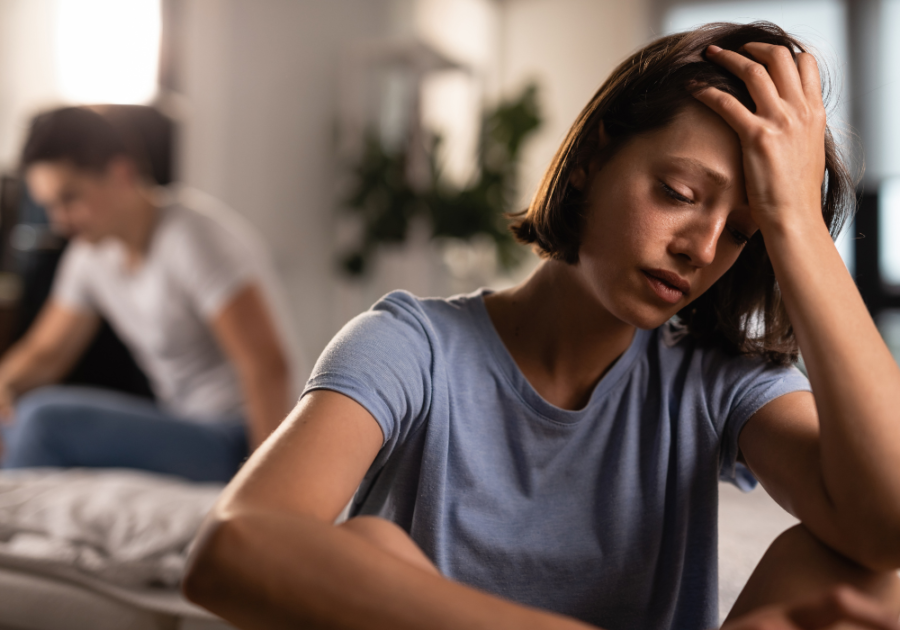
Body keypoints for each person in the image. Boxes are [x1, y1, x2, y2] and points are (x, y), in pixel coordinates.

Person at [183, 22, 900, 630]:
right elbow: (233, 548)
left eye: (744, 231)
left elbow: (886, 527)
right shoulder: (412, 347)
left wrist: (797, 223)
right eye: (679, 194)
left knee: (865, 575)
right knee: (368, 544)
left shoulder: (717, 375)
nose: (701, 248)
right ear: (591, 160)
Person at [0, 105, 299, 483]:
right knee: (10, 423)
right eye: (49, 207)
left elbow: (267, 367)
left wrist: (267, 488)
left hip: (239, 437)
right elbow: (45, 353)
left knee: (43, 421)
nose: (59, 220)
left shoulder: (193, 240)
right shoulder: (90, 255)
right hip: (182, 423)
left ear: (121, 173)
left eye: (70, 198)